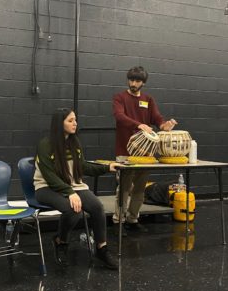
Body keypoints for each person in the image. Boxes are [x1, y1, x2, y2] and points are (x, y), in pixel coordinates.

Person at [34, 108, 120, 270]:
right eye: (70, 120)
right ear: (60, 124)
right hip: (46, 188)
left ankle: (101, 249)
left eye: (75, 120)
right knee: (72, 209)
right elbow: (50, 177)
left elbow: (83, 167)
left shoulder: (75, 143)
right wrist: (70, 193)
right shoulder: (45, 145)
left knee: (96, 207)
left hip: (73, 186)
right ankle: (61, 241)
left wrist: (107, 167)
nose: (75, 123)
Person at [112, 66, 176, 235]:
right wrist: (139, 124)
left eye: (137, 81)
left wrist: (165, 125)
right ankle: (119, 221)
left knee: (140, 188)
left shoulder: (148, 99)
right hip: (124, 151)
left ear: (143, 83)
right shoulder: (120, 97)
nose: (133, 83)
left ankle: (133, 219)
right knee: (124, 188)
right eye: (131, 80)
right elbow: (119, 116)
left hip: (146, 155)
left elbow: (157, 119)